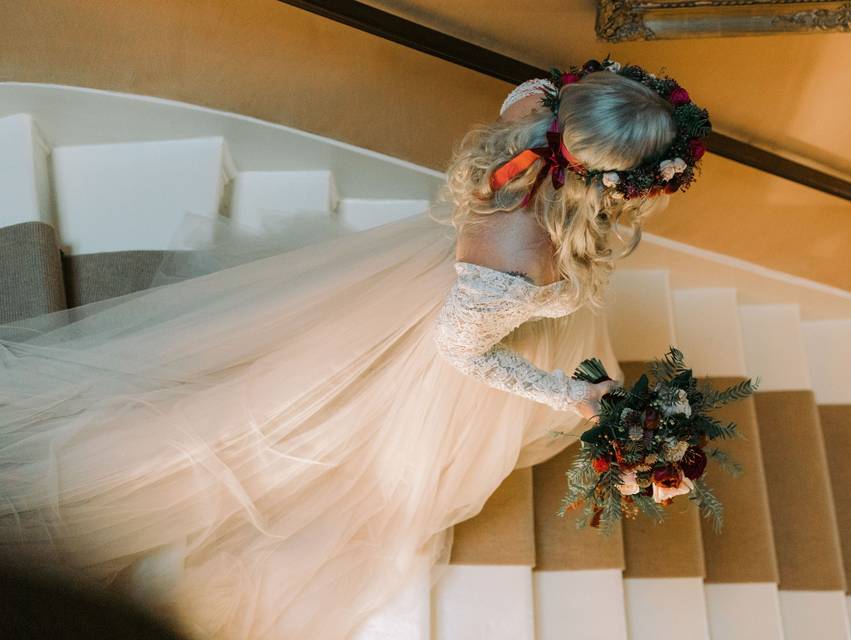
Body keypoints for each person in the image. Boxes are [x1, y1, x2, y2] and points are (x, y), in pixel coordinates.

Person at [0, 58, 709, 638]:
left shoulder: (533, 113)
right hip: (448, 335)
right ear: (613, 182)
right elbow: (460, 353)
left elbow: (526, 89)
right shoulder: (515, 260)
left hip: (439, 281)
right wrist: (569, 394)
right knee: (329, 443)